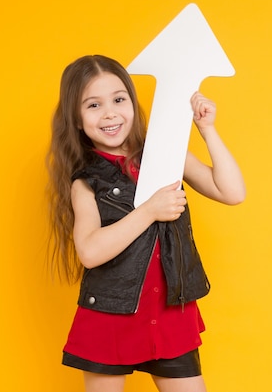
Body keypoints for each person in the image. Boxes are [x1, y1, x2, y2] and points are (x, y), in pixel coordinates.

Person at [46, 55, 246, 392]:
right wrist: (149, 211)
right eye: (93, 105)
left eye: (119, 99)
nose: (110, 113)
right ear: (77, 120)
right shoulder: (85, 181)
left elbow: (232, 192)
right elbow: (90, 251)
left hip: (169, 314)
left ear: (132, 102)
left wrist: (207, 130)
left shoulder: (166, 152)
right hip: (110, 315)